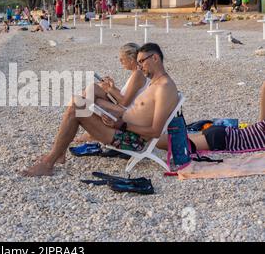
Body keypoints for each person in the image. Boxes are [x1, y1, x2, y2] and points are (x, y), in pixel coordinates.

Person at [22, 43, 179, 177]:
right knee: (78, 103)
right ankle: (58, 153)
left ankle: (49, 162)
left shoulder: (164, 88)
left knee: (77, 107)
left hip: (131, 139)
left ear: (155, 58)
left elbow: (156, 131)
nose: (140, 67)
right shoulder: (156, 84)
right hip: (123, 129)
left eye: (142, 62)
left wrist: (121, 125)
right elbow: (139, 111)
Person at [157, 81, 265, 153]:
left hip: (222, 131)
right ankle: (148, 140)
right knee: (179, 144)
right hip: (223, 139)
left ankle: (147, 140)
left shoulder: (262, 124)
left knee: (177, 139)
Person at [76, 43, 151, 142]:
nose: (120, 61)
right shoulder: (137, 73)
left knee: (93, 97)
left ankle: (91, 130)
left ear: (132, 60)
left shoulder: (138, 74)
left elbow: (125, 102)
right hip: (124, 108)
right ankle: (90, 129)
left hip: (128, 113)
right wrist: (112, 87)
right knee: (91, 89)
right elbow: (128, 96)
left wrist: (110, 89)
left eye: (122, 59)